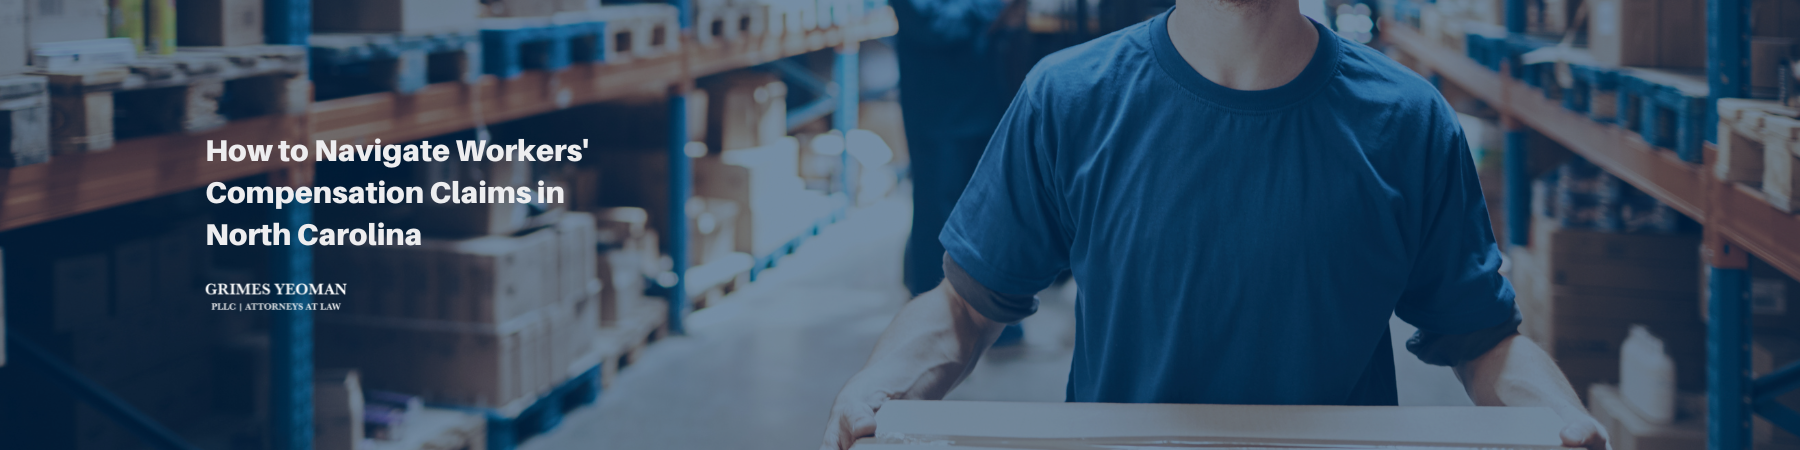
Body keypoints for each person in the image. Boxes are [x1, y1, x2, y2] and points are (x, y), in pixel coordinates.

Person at [818, 0, 1611, 448]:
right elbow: (963, 310)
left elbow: (1484, 338)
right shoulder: (1071, 100)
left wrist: (1564, 419)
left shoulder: (1404, 122)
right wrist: (875, 386)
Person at [891, 0, 1033, 344]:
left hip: (982, 100)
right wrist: (993, 8)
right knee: (937, 214)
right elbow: (936, 27)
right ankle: (931, 326)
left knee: (991, 215)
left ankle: (996, 322)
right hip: (937, 111)